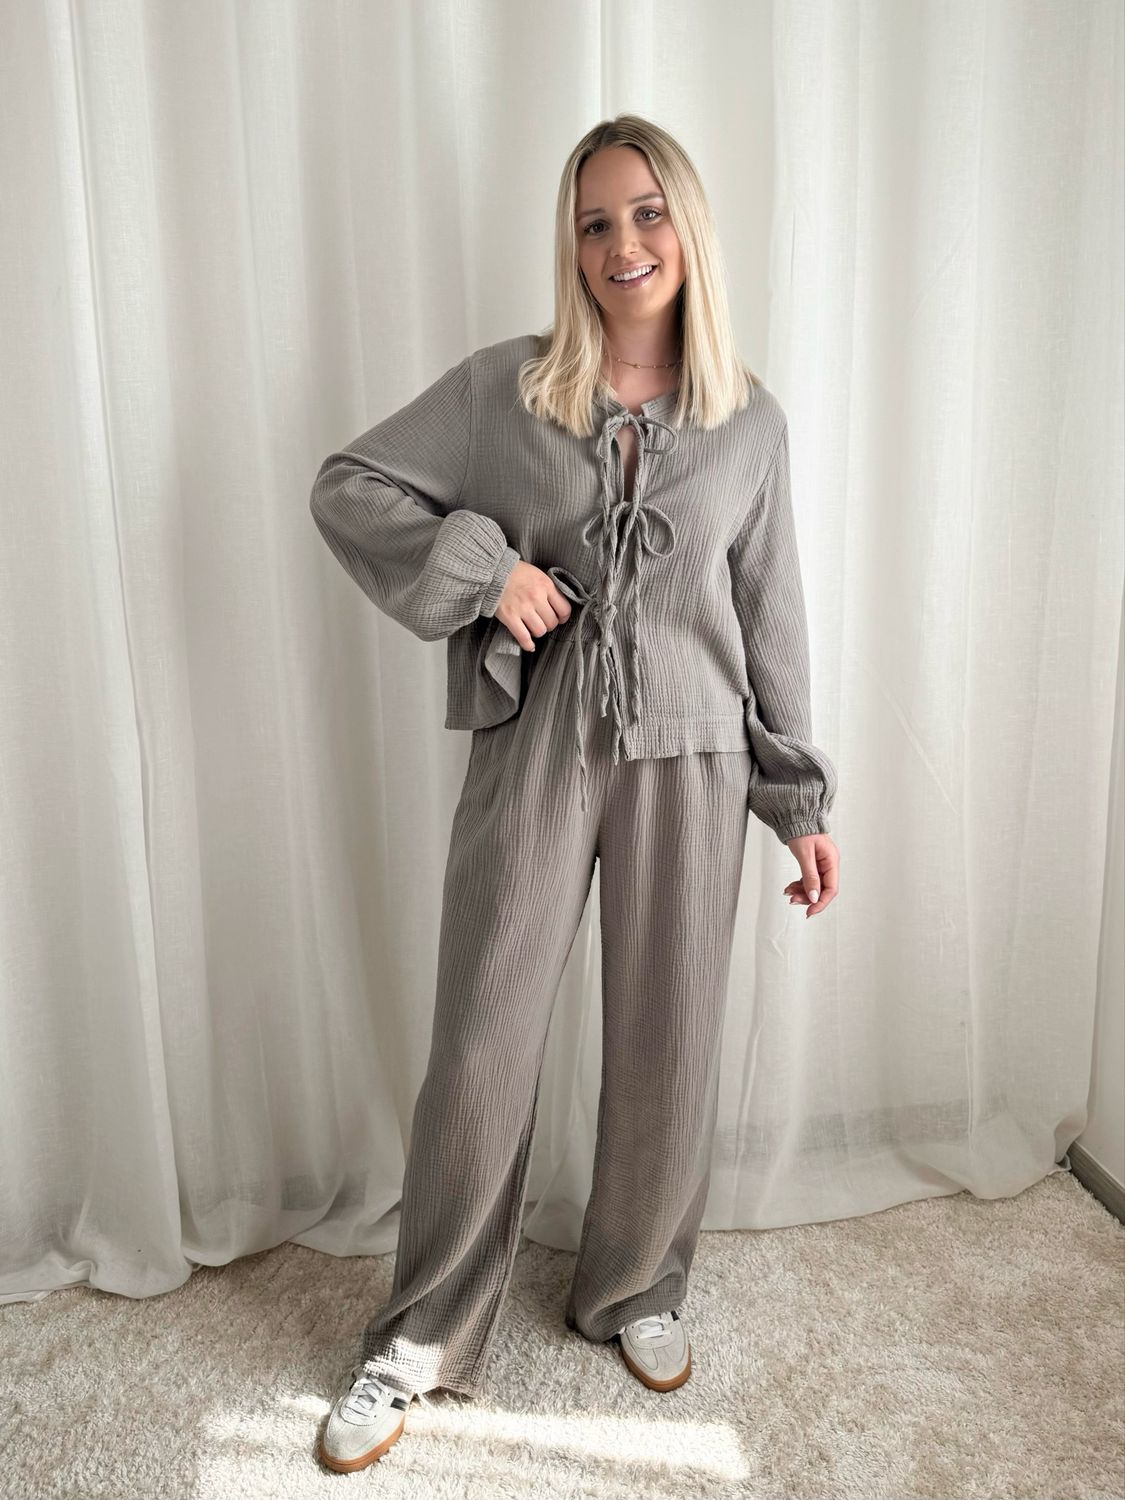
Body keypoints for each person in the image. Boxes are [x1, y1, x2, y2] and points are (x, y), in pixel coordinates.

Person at [311, 112, 840, 1473]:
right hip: (538, 744)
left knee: (670, 1040)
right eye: (595, 222)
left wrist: (798, 801)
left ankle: (636, 1286)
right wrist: (489, 572)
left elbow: (769, 614)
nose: (622, 244)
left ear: (688, 228)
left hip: (696, 754)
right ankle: (419, 1337)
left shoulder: (749, 421)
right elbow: (350, 485)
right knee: (480, 1042)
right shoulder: (509, 392)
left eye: (647, 213)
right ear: (573, 245)